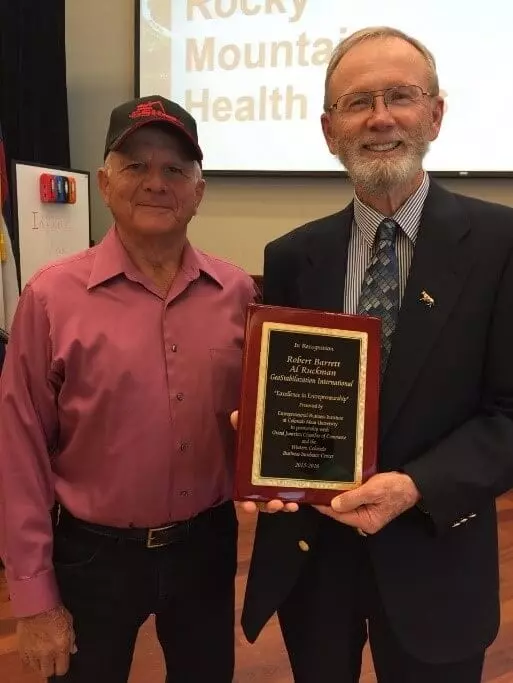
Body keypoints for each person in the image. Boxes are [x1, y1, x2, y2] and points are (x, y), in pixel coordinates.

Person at [236, 26, 513, 683]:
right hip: (315, 561)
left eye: (400, 96)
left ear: (434, 115)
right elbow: (291, 400)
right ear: (328, 130)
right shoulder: (291, 256)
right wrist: (261, 446)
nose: (380, 117)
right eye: (357, 102)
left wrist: (415, 486)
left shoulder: (501, 244)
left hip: (435, 556)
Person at [0, 94, 258, 683]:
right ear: (104, 183)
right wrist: (34, 597)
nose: (155, 183)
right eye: (136, 165)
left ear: (199, 190)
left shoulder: (238, 294)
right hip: (93, 557)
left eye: (174, 169)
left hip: (206, 548)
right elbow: (18, 452)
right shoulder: (50, 298)